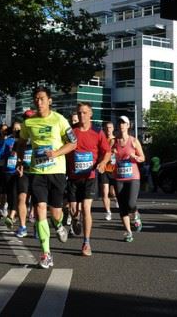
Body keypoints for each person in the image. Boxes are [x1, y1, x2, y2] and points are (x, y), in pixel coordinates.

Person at [24, 86, 77, 269]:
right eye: (36, 99)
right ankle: (46, 253)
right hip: (37, 172)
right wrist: (18, 160)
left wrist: (56, 153)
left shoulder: (60, 120)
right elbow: (22, 141)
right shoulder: (29, 122)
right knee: (39, 208)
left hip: (56, 172)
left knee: (55, 212)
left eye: (42, 99)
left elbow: (73, 142)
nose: (39, 102)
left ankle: (59, 225)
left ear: (49, 100)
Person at [67, 102, 110, 256]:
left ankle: (86, 243)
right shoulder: (71, 131)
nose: (81, 115)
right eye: (79, 113)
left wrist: (103, 163)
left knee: (86, 207)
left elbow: (107, 151)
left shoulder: (98, 132)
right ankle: (75, 219)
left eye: (84, 112)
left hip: (90, 176)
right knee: (73, 210)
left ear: (91, 114)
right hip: (73, 176)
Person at [113, 115, 146, 242]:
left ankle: (135, 214)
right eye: (119, 122)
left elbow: (143, 157)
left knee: (131, 203)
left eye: (124, 123)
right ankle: (128, 232)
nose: (121, 125)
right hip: (118, 177)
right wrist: (112, 157)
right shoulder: (114, 142)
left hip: (133, 177)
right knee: (122, 206)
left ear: (128, 126)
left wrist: (135, 157)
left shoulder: (133, 141)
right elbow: (109, 157)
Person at [99, 121, 118, 220]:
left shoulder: (116, 140)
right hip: (104, 169)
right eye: (106, 127)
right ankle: (108, 212)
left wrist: (115, 152)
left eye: (110, 127)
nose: (108, 130)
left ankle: (115, 198)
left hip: (114, 169)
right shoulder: (102, 140)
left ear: (113, 128)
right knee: (104, 192)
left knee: (113, 192)